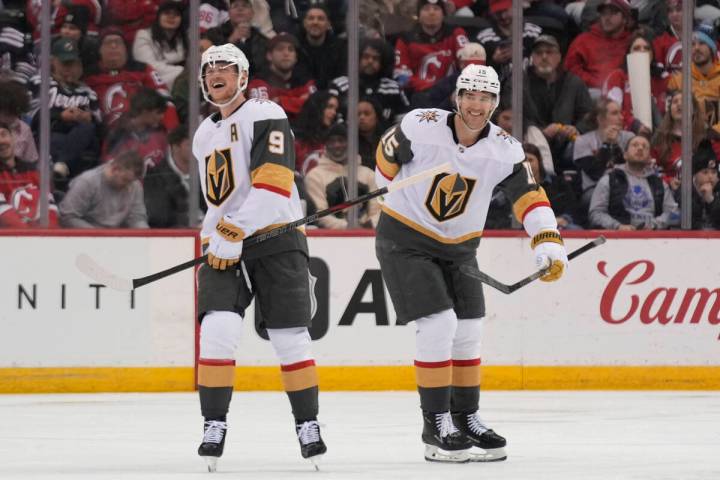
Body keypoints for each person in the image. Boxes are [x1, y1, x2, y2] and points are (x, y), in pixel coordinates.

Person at [374, 64, 568, 463]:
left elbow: (529, 197)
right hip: (405, 239)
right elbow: (384, 159)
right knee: (438, 323)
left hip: (459, 249)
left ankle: (465, 417)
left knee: (468, 328)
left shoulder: (505, 148)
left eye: (485, 98)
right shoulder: (419, 125)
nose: (476, 105)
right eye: (469, 96)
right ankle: (435, 423)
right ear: (456, 97)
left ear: (495, 103)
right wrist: (386, 185)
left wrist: (547, 239)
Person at [192, 43, 325, 472]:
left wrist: (235, 229)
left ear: (244, 77)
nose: (217, 73)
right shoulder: (203, 134)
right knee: (218, 328)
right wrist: (218, 234)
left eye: (226, 68)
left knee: (289, 336)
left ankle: (308, 424)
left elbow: (274, 181)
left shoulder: (266, 113)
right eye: (210, 68)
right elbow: (217, 199)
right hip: (222, 245)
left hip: (276, 236)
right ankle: (214, 424)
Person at [589, 134, 678, 229]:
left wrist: (654, 225)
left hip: (651, 239)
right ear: (625, 155)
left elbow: (674, 214)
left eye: (645, 147)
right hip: (617, 239)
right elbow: (595, 214)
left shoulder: (659, 184)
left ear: (649, 157)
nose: (640, 148)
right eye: (635, 145)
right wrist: (618, 226)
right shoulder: (610, 179)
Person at [303, 122, 380, 229]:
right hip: (328, 240)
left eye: (341, 140)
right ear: (326, 146)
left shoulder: (369, 175)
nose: (337, 145)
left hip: (368, 236)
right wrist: (349, 227)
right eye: (331, 141)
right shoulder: (314, 176)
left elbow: (378, 210)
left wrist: (369, 225)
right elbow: (319, 214)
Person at [58, 149, 148, 228]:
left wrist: (146, 236)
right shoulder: (87, 182)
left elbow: (137, 217)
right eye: (125, 180)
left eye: (131, 182)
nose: (129, 186)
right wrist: (99, 236)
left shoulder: (134, 185)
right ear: (114, 169)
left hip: (115, 238)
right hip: (86, 238)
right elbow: (67, 217)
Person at [0, 122, 59, 228]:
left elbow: (50, 210)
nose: (1, 141)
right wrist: (31, 236)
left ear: (13, 138)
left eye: (4, 135)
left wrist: (48, 235)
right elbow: (5, 218)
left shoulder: (34, 171)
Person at [132, 0, 187, 91]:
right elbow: (148, 66)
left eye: (176, 14)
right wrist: (182, 71)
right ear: (158, 17)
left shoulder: (184, 39)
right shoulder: (143, 35)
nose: (171, 17)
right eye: (166, 13)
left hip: (180, 82)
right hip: (151, 83)